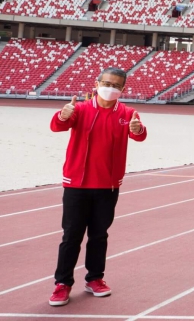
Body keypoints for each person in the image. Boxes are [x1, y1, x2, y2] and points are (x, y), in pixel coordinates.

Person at [48, 67, 147, 306]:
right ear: (97, 82)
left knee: (99, 235)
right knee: (71, 236)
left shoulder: (127, 112)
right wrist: (63, 115)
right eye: (107, 83)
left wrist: (138, 130)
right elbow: (57, 126)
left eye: (116, 85)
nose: (110, 88)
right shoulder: (79, 109)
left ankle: (94, 279)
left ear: (123, 89)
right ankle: (62, 284)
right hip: (77, 185)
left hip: (108, 186)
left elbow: (140, 135)